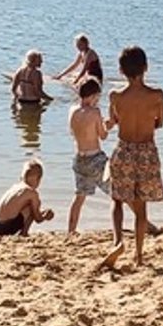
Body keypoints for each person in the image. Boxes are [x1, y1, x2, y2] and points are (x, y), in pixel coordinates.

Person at [97, 45, 163, 271]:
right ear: (145, 67)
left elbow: (114, 119)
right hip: (146, 151)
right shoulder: (157, 95)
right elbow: (160, 122)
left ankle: (118, 242)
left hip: (124, 150)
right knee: (141, 206)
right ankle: (139, 255)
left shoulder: (116, 96)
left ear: (120, 70)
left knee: (117, 200)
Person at [68, 78, 112, 235]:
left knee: (79, 196)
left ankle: (71, 230)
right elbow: (103, 135)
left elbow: (77, 131)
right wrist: (109, 124)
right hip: (95, 159)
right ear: (93, 95)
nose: (97, 101)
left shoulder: (72, 111)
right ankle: (144, 222)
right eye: (97, 97)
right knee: (118, 189)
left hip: (80, 159)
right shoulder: (95, 112)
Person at [0, 160, 56, 236]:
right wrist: (45, 215)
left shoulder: (16, 187)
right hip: (7, 228)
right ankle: (24, 233)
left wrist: (40, 212)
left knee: (30, 205)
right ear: (38, 179)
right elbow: (38, 219)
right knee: (33, 206)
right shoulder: (32, 193)